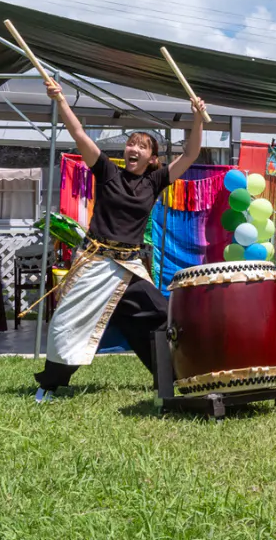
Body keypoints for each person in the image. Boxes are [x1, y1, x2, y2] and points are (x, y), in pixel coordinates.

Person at [34, 74, 206, 402]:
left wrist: (197, 117)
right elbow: (79, 133)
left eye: (142, 146)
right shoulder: (108, 172)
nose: (133, 148)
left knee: (162, 315)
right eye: (131, 143)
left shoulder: (155, 181)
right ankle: (50, 384)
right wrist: (60, 100)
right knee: (67, 324)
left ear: (152, 159)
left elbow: (190, 154)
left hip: (128, 267)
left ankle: (168, 378)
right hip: (96, 262)